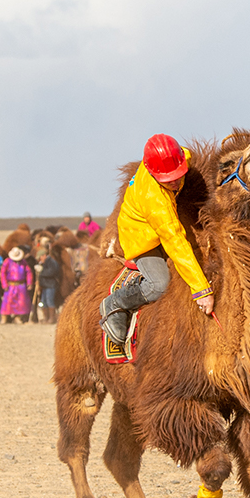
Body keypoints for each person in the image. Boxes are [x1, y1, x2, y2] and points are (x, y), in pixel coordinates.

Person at [99, 134, 214, 345]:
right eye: (168, 179)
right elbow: (175, 241)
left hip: (168, 220)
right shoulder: (154, 199)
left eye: (179, 174)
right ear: (153, 173)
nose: (176, 181)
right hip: (142, 235)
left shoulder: (181, 158)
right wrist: (201, 290)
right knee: (158, 285)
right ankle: (116, 303)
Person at [0, 247, 34, 323]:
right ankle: (4, 317)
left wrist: (29, 282)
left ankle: (17, 317)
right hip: (10, 285)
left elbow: (28, 272)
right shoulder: (7, 262)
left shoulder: (23, 262)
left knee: (20, 303)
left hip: (21, 285)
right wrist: (4, 284)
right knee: (7, 303)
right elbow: (3, 273)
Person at [35, 247, 60, 324]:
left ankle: (51, 318)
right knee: (43, 302)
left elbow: (52, 272)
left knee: (50, 301)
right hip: (45, 286)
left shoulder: (52, 262)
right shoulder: (44, 263)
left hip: (51, 285)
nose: (40, 259)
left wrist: (41, 272)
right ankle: (46, 317)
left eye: (40, 258)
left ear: (44, 255)